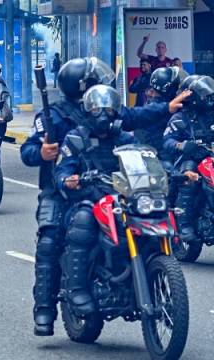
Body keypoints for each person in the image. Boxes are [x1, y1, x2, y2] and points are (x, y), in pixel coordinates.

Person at [20, 56, 190, 337]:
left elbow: (136, 121)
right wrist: (41, 153)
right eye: (93, 80)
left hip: (107, 189)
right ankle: (46, 310)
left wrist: (166, 114)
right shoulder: (56, 117)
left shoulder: (108, 112)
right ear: (81, 87)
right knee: (51, 241)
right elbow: (30, 151)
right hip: (61, 189)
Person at [55, 85, 136, 315]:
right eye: (97, 109)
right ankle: (77, 288)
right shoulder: (75, 139)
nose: (103, 114)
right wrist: (67, 180)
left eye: (109, 109)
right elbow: (62, 170)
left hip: (122, 199)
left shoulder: (125, 138)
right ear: (87, 110)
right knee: (83, 220)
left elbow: (145, 159)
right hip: (88, 199)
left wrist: (169, 171)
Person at [164, 75, 214, 244]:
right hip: (190, 159)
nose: (207, 98)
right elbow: (167, 141)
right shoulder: (180, 118)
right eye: (203, 95)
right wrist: (182, 146)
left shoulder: (211, 115)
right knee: (189, 178)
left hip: (211, 157)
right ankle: (184, 224)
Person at [135, 66, 187, 161]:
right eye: (178, 89)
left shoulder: (151, 107)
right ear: (171, 90)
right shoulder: (166, 111)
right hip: (164, 161)